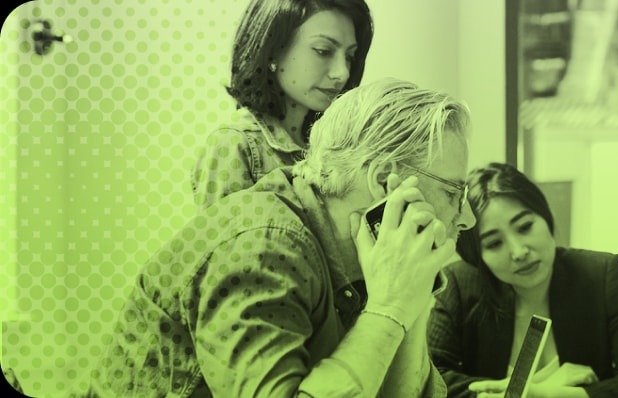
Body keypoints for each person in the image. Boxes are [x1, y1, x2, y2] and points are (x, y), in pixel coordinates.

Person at [86, 77, 476, 397]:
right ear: (382, 182)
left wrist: (411, 297)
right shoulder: (260, 244)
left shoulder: (361, 254)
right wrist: (389, 309)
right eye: (453, 193)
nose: (468, 218)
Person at [427, 163, 618, 398]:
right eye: (494, 243)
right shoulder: (458, 283)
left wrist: (551, 394)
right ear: (478, 257)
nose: (519, 251)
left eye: (525, 227)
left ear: (546, 216)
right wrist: (521, 391)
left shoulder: (603, 274)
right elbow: (428, 378)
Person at [192, 0, 374, 209]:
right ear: (273, 50)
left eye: (350, 57)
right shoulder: (234, 143)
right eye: (323, 51)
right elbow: (226, 239)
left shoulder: (334, 145)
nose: (342, 73)